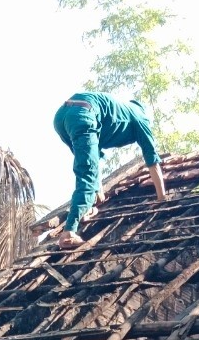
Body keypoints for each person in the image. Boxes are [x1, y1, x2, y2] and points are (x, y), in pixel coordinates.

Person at [53, 92, 168, 249]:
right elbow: (152, 161)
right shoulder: (141, 119)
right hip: (83, 114)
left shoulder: (121, 110)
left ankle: (85, 208)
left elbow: (95, 153)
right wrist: (162, 198)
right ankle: (69, 232)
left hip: (62, 116)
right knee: (87, 173)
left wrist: (98, 189)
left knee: (88, 167)